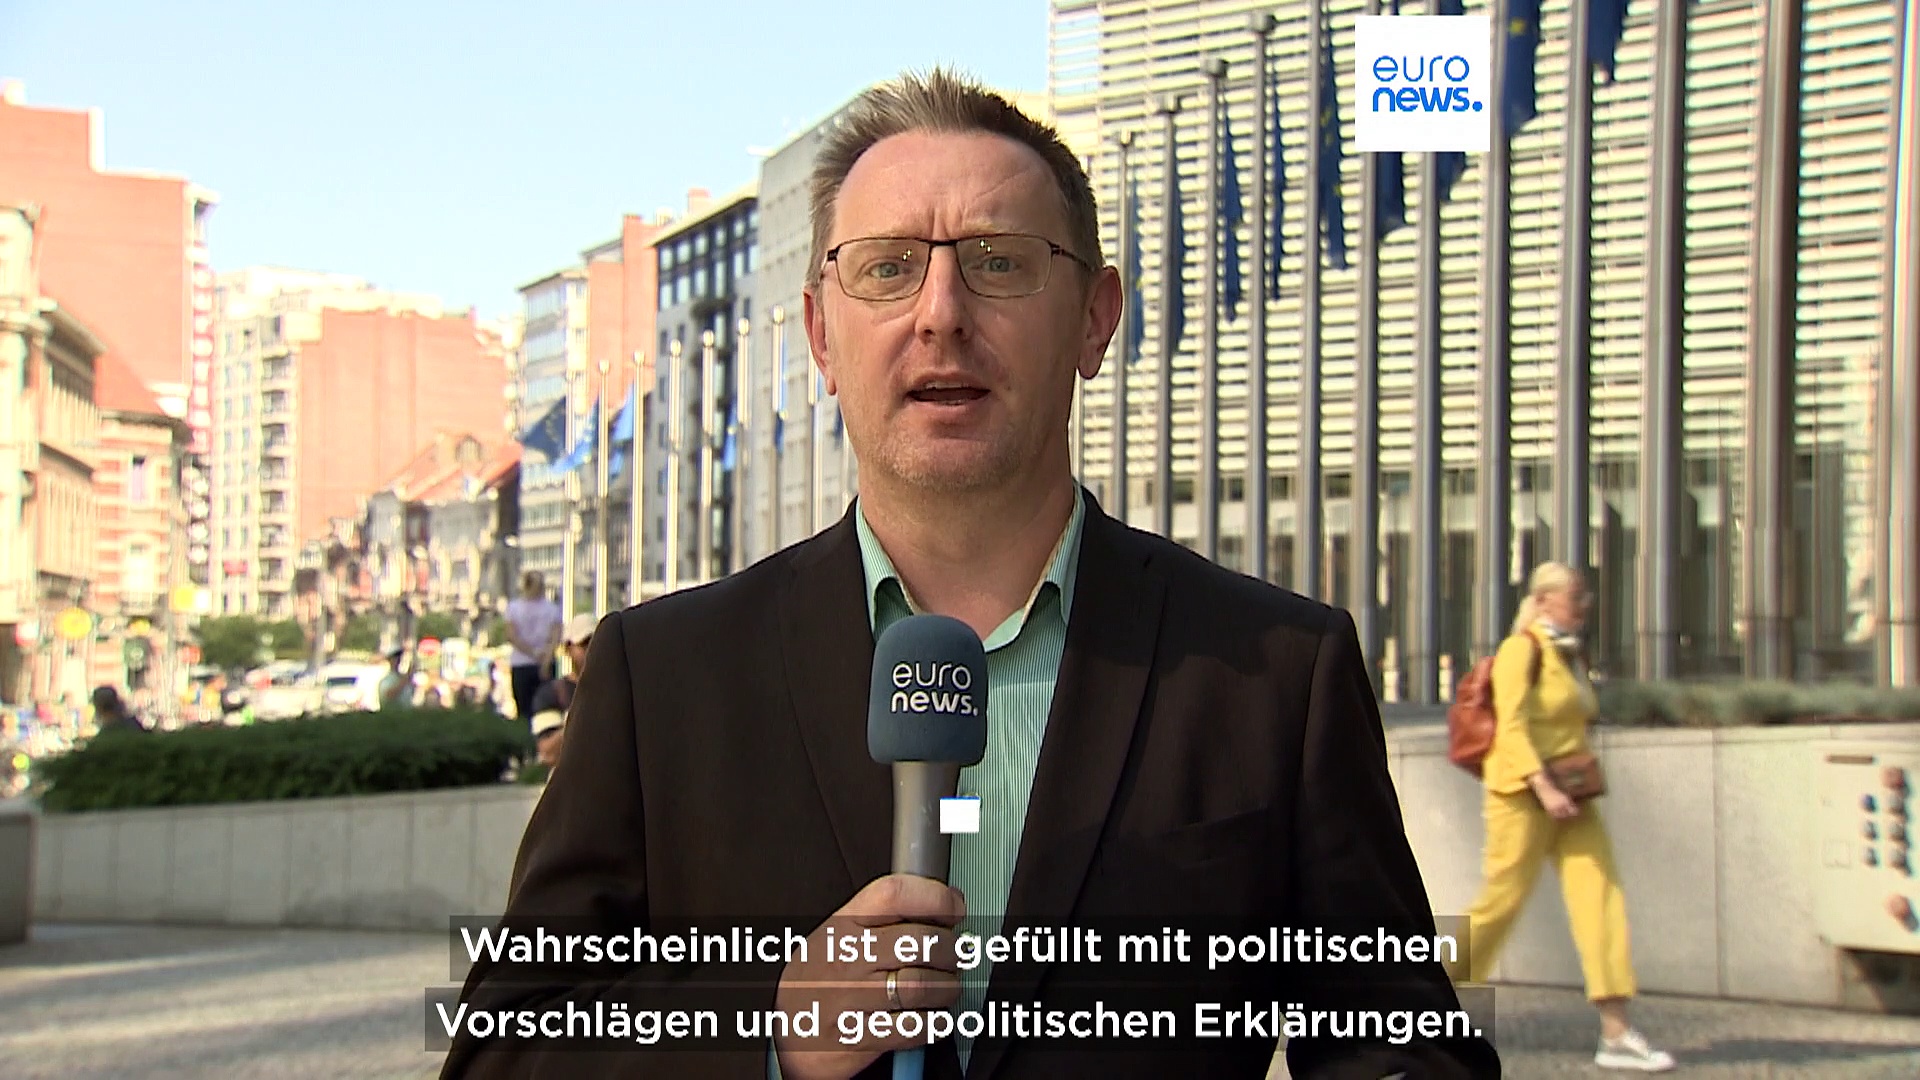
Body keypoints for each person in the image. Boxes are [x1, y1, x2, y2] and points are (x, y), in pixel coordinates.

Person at [443, 69, 1494, 1080]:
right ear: (820, 335)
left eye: (998, 261)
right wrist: (772, 1032)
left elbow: (1399, 1043)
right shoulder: (665, 675)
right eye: (887, 268)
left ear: (1095, 319)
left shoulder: (1275, 673)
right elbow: (502, 1050)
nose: (941, 311)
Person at [1460, 561, 1674, 1072]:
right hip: (1522, 792)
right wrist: (1543, 786)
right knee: (1499, 904)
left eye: (1585, 596)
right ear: (1545, 600)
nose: (1585, 605)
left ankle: (1616, 1030)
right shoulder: (1521, 650)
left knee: (1600, 898)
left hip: (1573, 794)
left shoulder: (1570, 654)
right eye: (1575, 596)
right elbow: (1510, 727)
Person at [522, 613, 593, 769]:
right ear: (568, 648)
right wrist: (583, 717)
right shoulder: (551, 694)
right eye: (585, 644)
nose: (592, 650)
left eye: (597, 643)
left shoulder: (620, 689)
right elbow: (547, 753)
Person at [503, 571, 562, 721]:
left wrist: (546, 659)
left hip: (544, 664)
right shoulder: (514, 608)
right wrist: (535, 653)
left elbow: (556, 636)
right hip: (522, 664)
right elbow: (511, 636)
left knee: (546, 711)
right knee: (524, 710)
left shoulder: (551, 609)